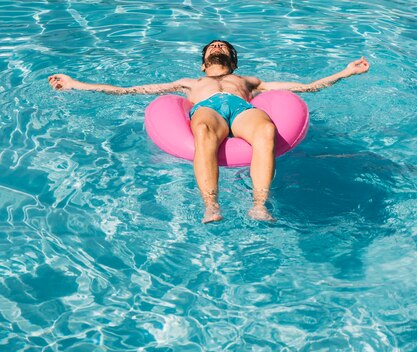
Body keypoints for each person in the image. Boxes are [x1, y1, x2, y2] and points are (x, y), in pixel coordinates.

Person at [49, 40, 370, 224]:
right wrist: (78, 85)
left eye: (223, 46)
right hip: (208, 110)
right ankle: (211, 205)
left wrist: (346, 72)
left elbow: (307, 88)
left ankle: (259, 205)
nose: (217, 46)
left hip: (243, 110)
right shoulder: (189, 84)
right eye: (212, 47)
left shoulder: (250, 82)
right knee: (202, 130)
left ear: (233, 60)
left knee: (266, 131)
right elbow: (129, 90)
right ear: (203, 64)